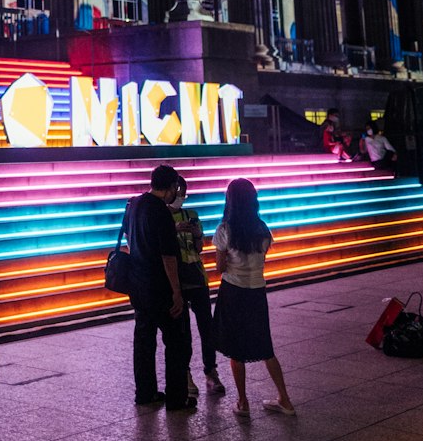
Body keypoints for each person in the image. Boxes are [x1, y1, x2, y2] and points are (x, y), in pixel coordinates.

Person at [213, 178, 294, 418]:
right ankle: (285, 399)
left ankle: (242, 401)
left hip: (233, 291)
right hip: (257, 291)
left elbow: (219, 267)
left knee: (236, 350)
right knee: (265, 347)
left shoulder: (225, 229)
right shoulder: (262, 229)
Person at [120, 163, 193, 412]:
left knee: (144, 340)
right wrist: (176, 292)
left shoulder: (134, 205)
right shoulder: (161, 211)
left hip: (138, 285)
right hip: (160, 287)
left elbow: (133, 241)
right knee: (176, 342)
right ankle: (176, 398)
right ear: (171, 187)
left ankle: (146, 392)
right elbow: (168, 257)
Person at [170, 175, 225, 396]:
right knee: (182, 330)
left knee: (206, 326)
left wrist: (195, 234)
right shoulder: (162, 216)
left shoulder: (191, 215)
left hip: (197, 276)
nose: (181, 197)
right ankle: (185, 373)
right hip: (177, 279)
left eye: (184, 192)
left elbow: (200, 248)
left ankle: (210, 371)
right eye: (178, 191)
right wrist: (174, 229)